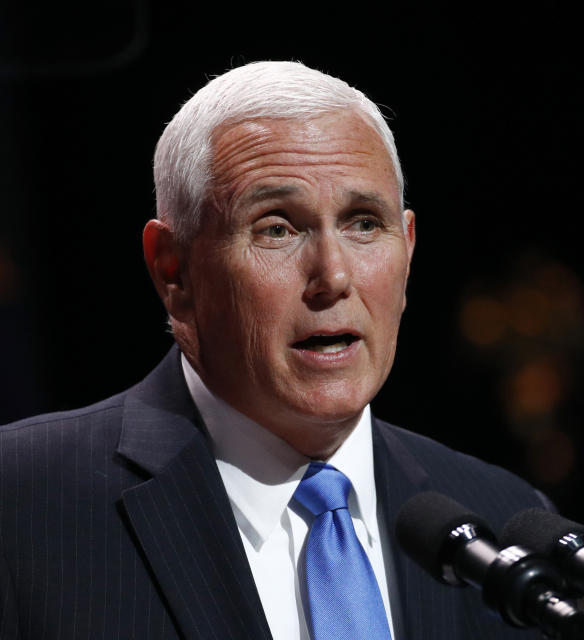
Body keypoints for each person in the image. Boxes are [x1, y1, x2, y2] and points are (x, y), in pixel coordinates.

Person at [0, 61, 550, 640]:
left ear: (407, 250)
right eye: (277, 229)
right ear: (174, 269)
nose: (333, 276)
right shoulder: (22, 503)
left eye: (364, 224)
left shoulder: (501, 519)